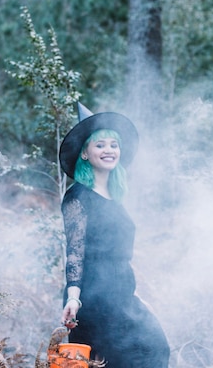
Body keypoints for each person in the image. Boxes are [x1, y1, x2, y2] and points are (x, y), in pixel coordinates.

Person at [58, 103, 170, 368]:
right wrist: (74, 298)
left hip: (121, 295)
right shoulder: (78, 196)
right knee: (129, 358)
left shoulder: (115, 197)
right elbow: (75, 251)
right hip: (96, 297)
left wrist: (134, 296)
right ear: (84, 153)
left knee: (154, 351)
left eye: (113, 144)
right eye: (99, 145)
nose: (108, 150)